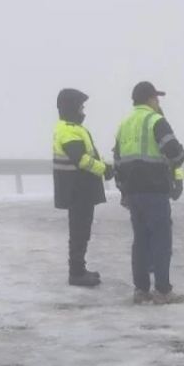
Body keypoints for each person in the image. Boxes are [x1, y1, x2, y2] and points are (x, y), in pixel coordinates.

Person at [113, 81, 184, 305]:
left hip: (133, 193)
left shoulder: (124, 124)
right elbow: (174, 152)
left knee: (141, 240)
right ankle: (162, 290)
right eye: (156, 98)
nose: (159, 102)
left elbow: (117, 160)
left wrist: (123, 190)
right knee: (161, 240)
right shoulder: (156, 121)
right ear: (149, 99)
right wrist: (179, 159)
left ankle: (141, 289)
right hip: (154, 190)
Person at [53, 88, 114, 287]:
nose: (83, 111)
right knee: (79, 230)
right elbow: (81, 159)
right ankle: (76, 272)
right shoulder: (67, 130)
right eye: (80, 107)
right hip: (76, 188)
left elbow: (89, 154)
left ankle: (79, 268)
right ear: (71, 107)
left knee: (82, 229)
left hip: (81, 188)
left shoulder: (73, 127)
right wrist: (103, 169)